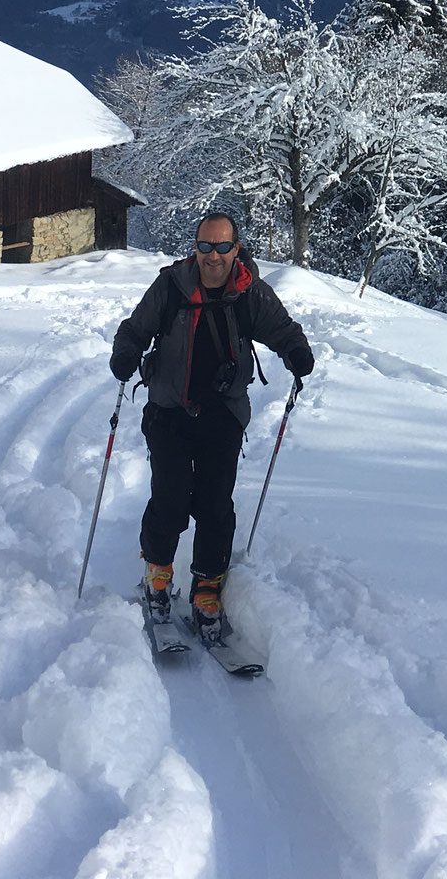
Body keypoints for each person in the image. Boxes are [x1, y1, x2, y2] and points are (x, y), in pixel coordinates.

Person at [110, 210, 314, 631]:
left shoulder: (249, 291)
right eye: (205, 246)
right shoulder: (171, 285)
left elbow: (282, 329)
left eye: (222, 247)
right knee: (169, 499)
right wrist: (126, 352)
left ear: (236, 249)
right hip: (168, 411)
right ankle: (158, 576)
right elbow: (135, 328)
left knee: (215, 505)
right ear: (195, 248)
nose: (213, 256)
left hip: (222, 415)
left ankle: (207, 588)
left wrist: (297, 353)